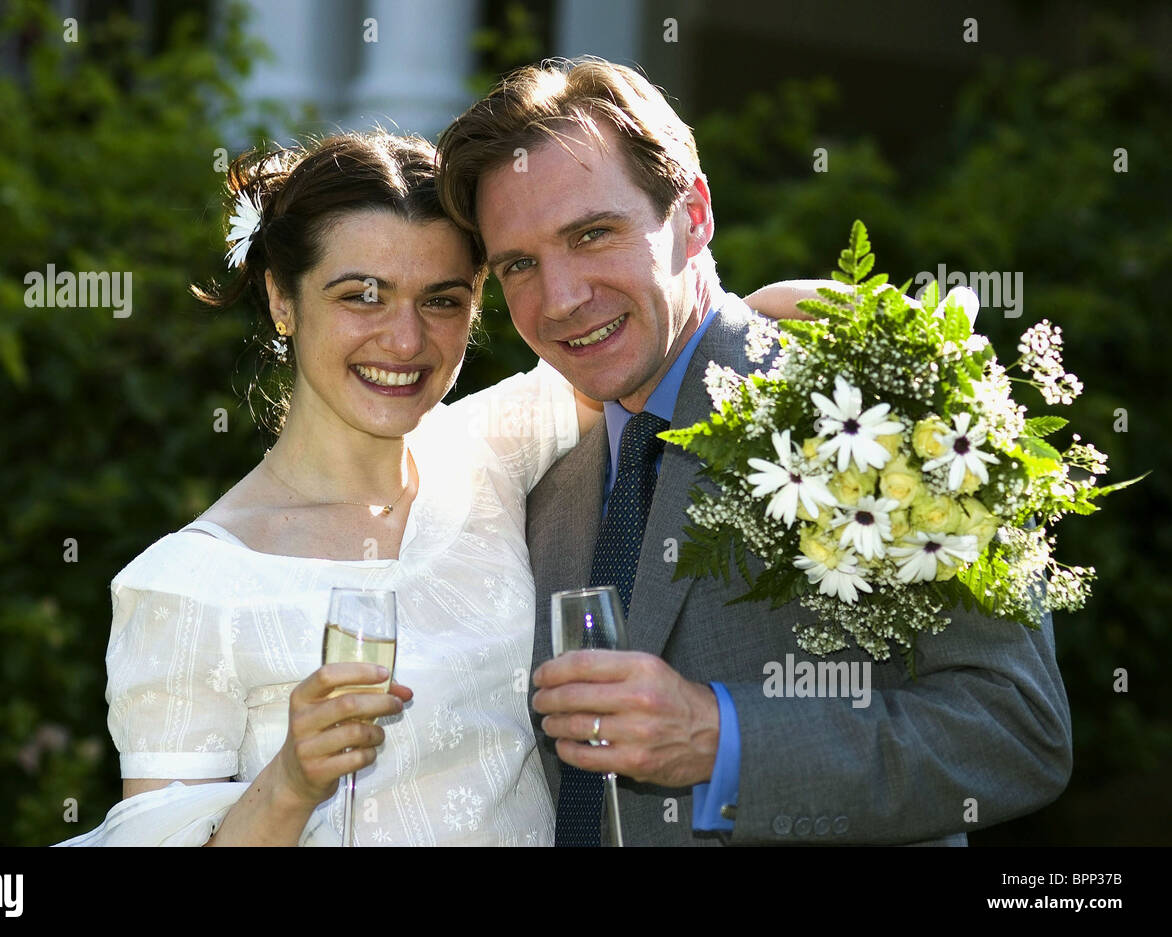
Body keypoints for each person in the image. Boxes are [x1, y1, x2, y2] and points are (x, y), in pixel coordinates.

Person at [56, 130, 812, 846]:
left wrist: (829, 319)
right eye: (361, 295)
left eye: (442, 300)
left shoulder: (488, 449)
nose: (406, 340)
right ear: (283, 299)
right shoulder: (187, 588)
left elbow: (669, 335)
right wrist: (291, 779)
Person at [435, 57, 1074, 846]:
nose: (561, 297)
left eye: (592, 233)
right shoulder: (545, 489)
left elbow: (1018, 730)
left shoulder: (870, 403)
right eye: (520, 266)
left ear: (694, 213)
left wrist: (720, 737)